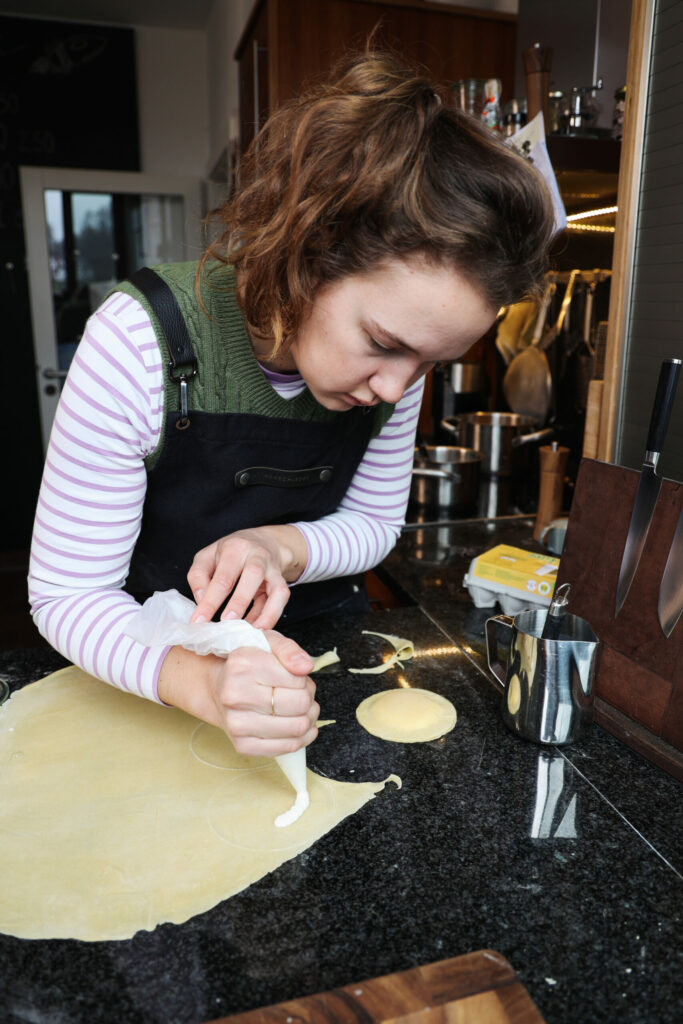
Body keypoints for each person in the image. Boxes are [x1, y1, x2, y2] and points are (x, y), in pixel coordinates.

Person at [28, 49, 555, 761]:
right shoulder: (138, 342)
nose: (397, 390)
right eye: (381, 342)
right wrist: (199, 682)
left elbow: (373, 523)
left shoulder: (395, 369)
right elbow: (67, 595)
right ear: (310, 249)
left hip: (322, 652)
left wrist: (279, 546)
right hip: (151, 660)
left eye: (429, 363)